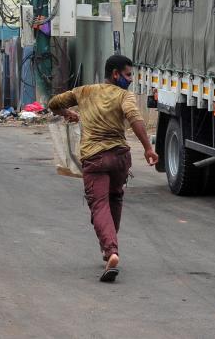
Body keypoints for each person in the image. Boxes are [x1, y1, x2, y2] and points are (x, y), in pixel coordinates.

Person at [48, 54, 159, 283]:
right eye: (128, 75)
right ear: (116, 74)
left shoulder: (84, 91)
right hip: (119, 158)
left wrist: (66, 113)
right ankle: (110, 249)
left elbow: (53, 103)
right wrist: (148, 148)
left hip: (95, 158)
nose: (130, 80)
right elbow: (134, 118)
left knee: (99, 205)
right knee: (115, 199)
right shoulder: (124, 96)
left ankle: (110, 251)